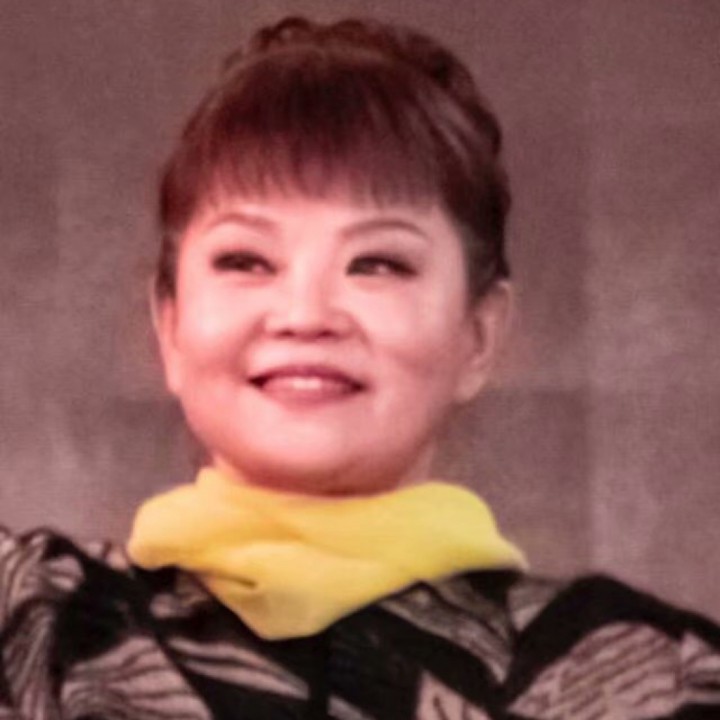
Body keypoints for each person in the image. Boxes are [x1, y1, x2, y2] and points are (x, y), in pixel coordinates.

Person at [1, 15, 719, 720]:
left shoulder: (654, 678)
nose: (305, 314)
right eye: (246, 260)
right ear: (170, 327)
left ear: (477, 335)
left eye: (377, 264)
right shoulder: (36, 631)